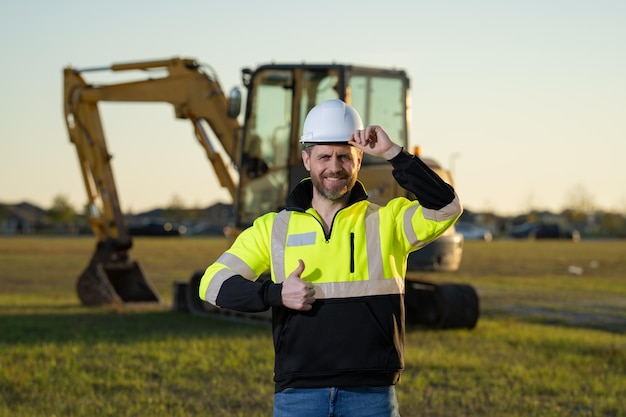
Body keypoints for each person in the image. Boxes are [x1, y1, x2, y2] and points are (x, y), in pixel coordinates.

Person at [199, 99, 462, 417]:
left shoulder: (389, 222)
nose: (334, 167)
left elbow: (447, 207)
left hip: (370, 395)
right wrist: (275, 292)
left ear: (360, 159)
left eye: (344, 157)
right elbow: (212, 284)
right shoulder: (274, 228)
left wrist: (395, 153)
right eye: (324, 156)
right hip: (298, 395)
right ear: (306, 159)